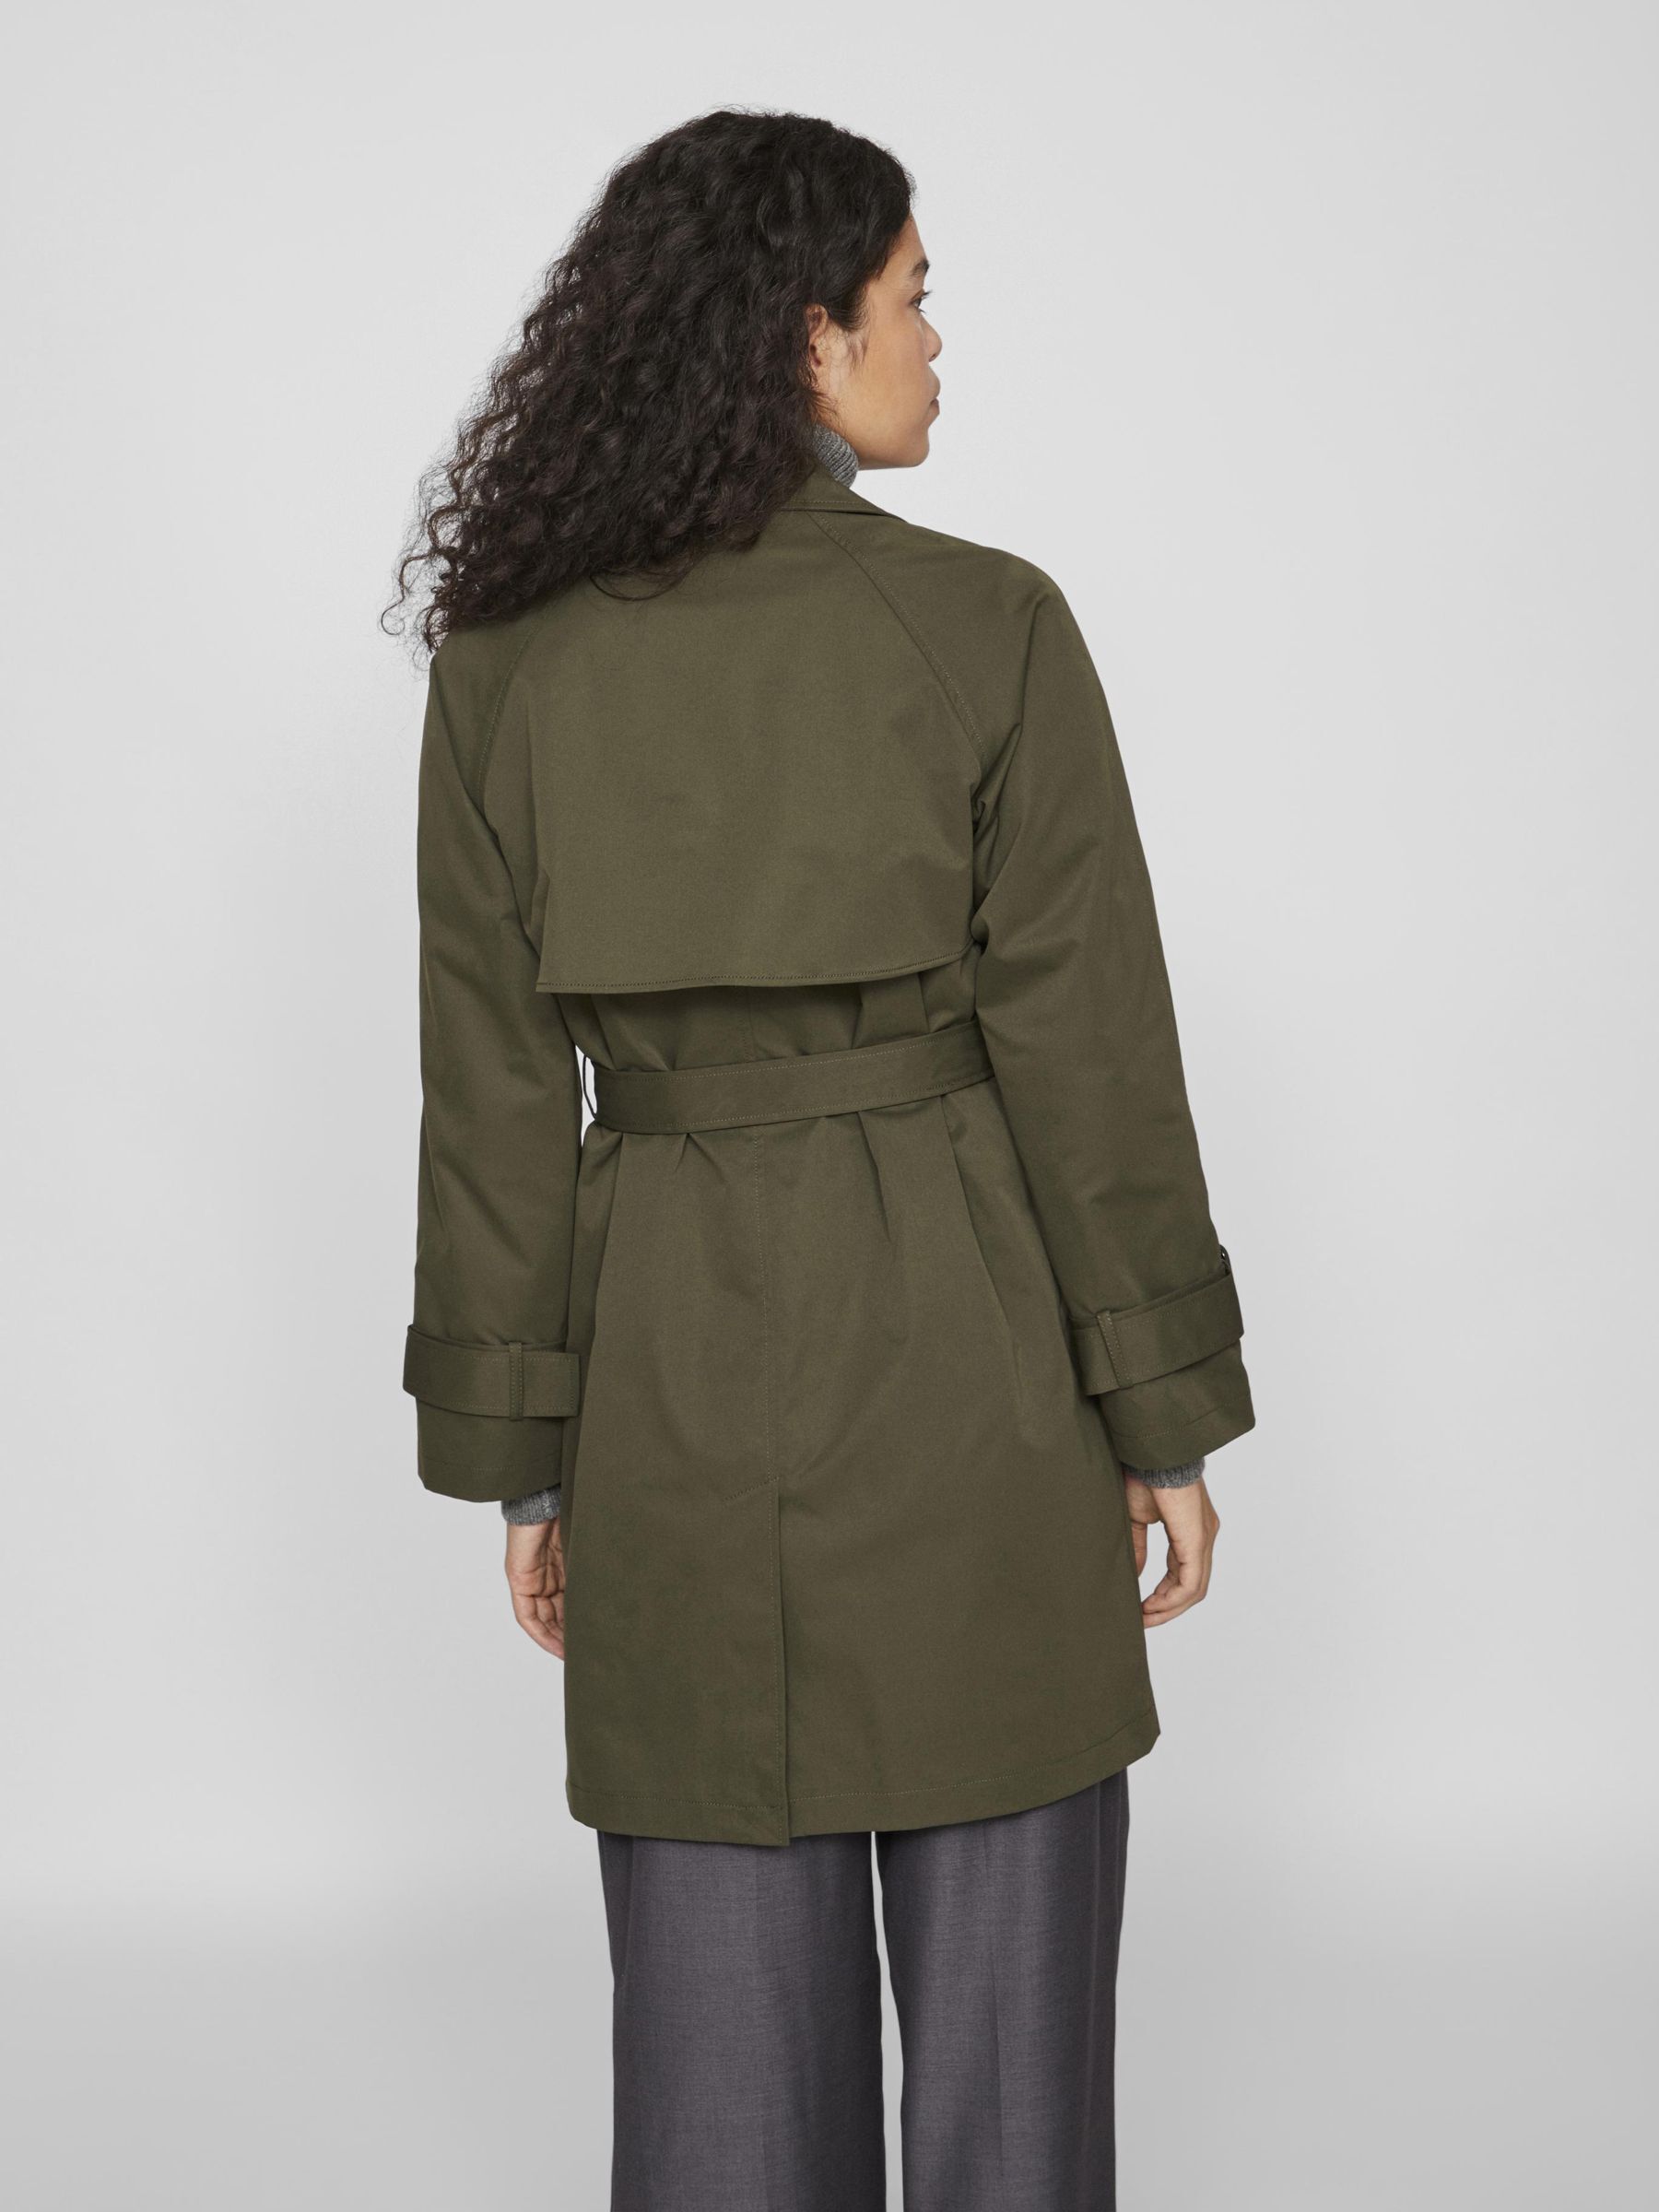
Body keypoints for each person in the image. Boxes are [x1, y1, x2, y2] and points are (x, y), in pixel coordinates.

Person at [392, 107, 1254, 2212]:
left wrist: (530, 1462)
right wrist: (1161, 1418)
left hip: (673, 1399)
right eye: (914, 299)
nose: (937, 341)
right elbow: (1092, 1062)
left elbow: (493, 1106)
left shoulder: (503, 669)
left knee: (721, 2102)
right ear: (806, 335)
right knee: (1012, 2098)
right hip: (974, 1377)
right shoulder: (990, 627)